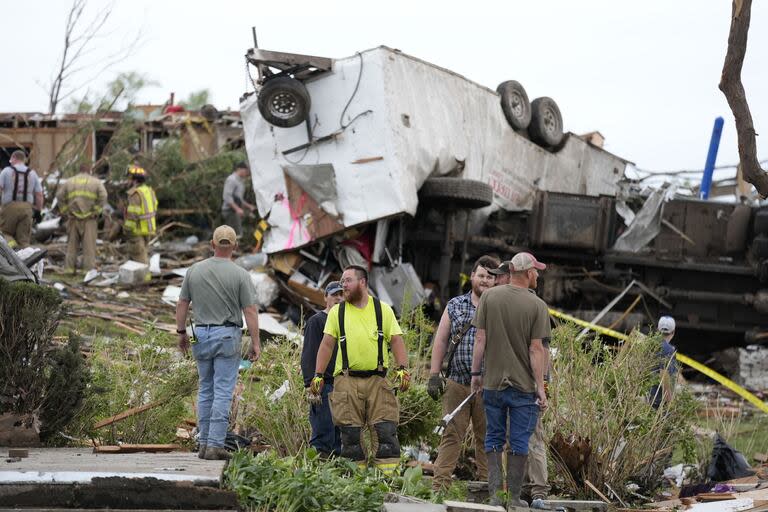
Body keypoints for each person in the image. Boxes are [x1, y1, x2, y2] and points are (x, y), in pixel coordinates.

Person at [311, 265, 410, 475]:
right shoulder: (337, 312)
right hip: (346, 381)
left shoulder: (382, 310)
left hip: (378, 381)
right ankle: (355, 485)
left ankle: (386, 483)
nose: (342, 285)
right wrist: (318, 375)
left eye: (347, 280)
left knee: (386, 436)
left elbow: (396, 340)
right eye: (342, 281)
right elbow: (327, 344)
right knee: (351, 439)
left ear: (362, 282)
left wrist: (402, 369)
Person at [470, 252, 551, 508]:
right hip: (523, 387)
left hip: (492, 384)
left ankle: (496, 497)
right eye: (536, 270)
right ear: (527, 273)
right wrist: (541, 388)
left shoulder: (490, 297)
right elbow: (536, 349)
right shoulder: (537, 305)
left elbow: (480, 340)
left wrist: (475, 375)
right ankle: (514, 499)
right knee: (518, 441)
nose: (537, 274)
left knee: (493, 438)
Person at [176, 225, 261, 460]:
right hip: (227, 335)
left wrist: (181, 333)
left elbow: (182, 303)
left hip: (199, 333)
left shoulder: (194, 270)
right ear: (234, 246)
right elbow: (250, 311)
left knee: (205, 388)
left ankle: (203, 443)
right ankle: (214, 445)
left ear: (212, 245)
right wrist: (256, 342)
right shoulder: (240, 274)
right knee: (223, 391)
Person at [427, 255, 499, 490]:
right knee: (451, 435)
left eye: (490, 277)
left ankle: (489, 491)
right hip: (457, 383)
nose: (485, 280)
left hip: (489, 386)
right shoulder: (456, 305)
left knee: (488, 440)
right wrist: (434, 374)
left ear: (496, 281)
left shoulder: (500, 308)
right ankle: (439, 487)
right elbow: (440, 341)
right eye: (481, 275)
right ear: (472, 277)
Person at [301, 280, 344, 456]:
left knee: (339, 436)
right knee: (323, 433)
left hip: (343, 384)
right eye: (334, 294)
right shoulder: (317, 321)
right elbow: (309, 354)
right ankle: (318, 474)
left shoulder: (346, 322)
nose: (339, 298)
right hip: (323, 384)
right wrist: (310, 385)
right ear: (325, 297)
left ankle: (335, 477)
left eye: (342, 294)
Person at [56, 163, 108, 272]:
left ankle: (69, 269)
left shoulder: (69, 182)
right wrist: (96, 210)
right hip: (89, 219)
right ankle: (87, 270)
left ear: (79, 170)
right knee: (89, 247)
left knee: (71, 245)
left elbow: (59, 196)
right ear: (89, 171)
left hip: (73, 218)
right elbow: (104, 195)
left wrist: (65, 211)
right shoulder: (96, 182)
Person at [0, 150, 44, 248]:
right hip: (27, 208)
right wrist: (38, 211)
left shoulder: (6, 171)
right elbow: (39, 194)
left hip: (9, 207)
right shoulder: (32, 173)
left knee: (5, 233)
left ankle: (13, 248)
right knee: (24, 240)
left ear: (14, 158)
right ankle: (25, 260)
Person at [124, 164, 157, 264]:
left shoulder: (135, 193)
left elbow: (132, 215)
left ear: (134, 180)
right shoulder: (149, 191)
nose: (127, 181)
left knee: (140, 260)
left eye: (129, 178)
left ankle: (145, 278)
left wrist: (127, 229)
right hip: (148, 229)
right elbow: (154, 208)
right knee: (137, 256)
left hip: (136, 231)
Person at [650, 315, 678, 409]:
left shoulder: (649, 344)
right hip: (658, 401)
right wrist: (670, 402)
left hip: (648, 397)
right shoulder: (667, 350)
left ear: (658, 330)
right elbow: (664, 375)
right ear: (673, 332)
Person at [221, 162, 256, 237]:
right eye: (246, 171)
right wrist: (237, 209)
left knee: (252, 216)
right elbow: (227, 196)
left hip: (236, 209)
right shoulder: (231, 179)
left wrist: (249, 206)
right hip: (230, 211)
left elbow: (239, 198)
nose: (247, 174)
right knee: (237, 234)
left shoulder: (241, 181)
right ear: (239, 169)